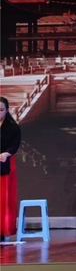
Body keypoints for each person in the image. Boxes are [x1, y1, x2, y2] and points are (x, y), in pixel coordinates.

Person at [0, 97, 22, 243]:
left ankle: (3, 230)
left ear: (7, 110)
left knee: (4, 198)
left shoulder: (13, 127)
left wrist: (7, 153)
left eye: (1, 110)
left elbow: (15, 144)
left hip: (5, 163)